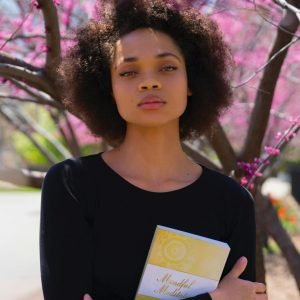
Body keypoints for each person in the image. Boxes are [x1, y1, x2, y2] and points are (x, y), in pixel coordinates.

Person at [39, 1, 268, 299]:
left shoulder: (231, 202)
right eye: (128, 72)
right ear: (108, 87)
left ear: (192, 81)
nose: (149, 82)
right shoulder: (71, 185)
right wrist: (216, 298)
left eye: (168, 67)